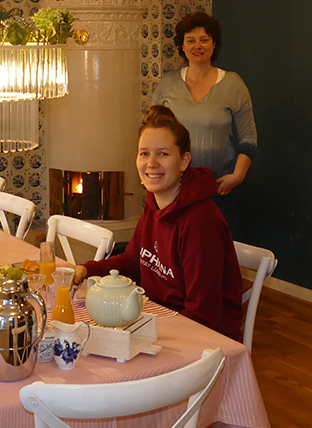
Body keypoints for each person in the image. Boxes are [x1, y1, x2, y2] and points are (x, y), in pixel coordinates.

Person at [74, 105, 243, 340]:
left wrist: (144, 334)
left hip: (204, 341)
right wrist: (87, 269)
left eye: (163, 154)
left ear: (184, 161)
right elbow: (135, 259)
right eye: (144, 153)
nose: (151, 163)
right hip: (157, 317)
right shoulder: (156, 200)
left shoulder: (200, 222)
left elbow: (203, 315)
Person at [152, 11, 257, 219]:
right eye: (190, 40)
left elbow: (249, 138)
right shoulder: (167, 84)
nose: (197, 46)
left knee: (214, 250)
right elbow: (152, 135)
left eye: (204, 40)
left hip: (218, 191)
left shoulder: (233, 84)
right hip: (174, 190)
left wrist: (238, 175)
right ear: (182, 46)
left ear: (214, 44)